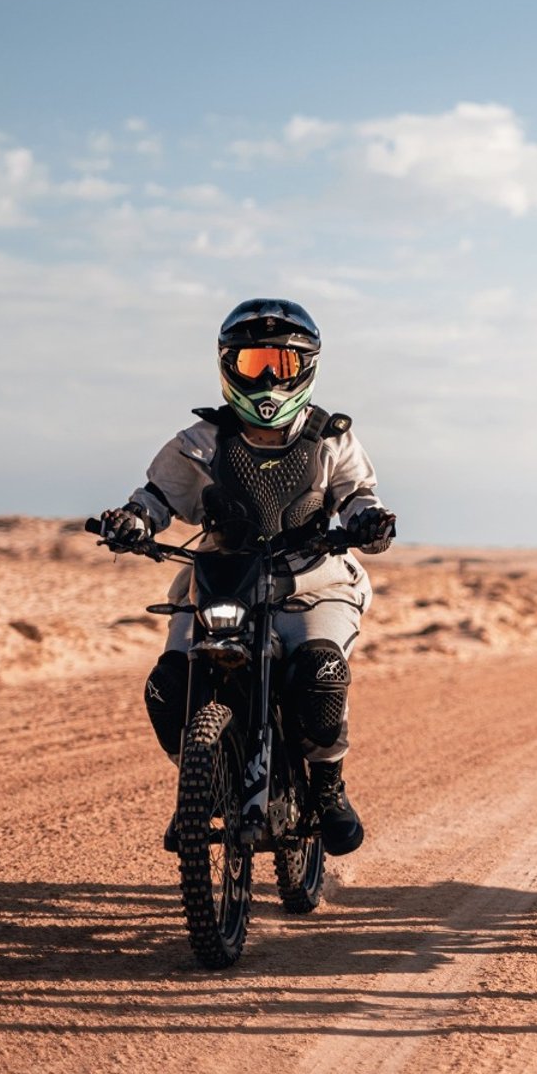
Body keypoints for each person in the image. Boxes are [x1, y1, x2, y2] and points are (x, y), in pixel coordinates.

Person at [100, 298, 395, 855]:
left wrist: (369, 522)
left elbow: (358, 495)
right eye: (251, 363)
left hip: (311, 583)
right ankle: (201, 787)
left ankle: (328, 788)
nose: (265, 379)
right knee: (169, 684)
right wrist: (132, 521)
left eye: (279, 365)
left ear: (306, 368)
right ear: (226, 366)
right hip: (221, 578)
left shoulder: (330, 437)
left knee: (319, 671)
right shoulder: (200, 441)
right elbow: (157, 498)